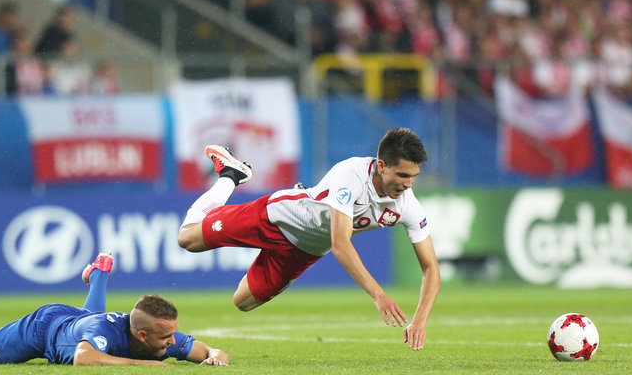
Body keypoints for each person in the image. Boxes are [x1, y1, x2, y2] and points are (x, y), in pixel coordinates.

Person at [177, 128, 441, 351]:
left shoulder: (408, 206)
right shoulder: (351, 175)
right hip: (278, 217)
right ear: (382, 166)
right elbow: (340, 243)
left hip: (304, 251)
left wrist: (419, 320)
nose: (408, 185)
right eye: (403, 176)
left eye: (413, 177)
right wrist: (378, 294)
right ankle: (231, 175)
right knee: (187, 238)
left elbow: (431, 269)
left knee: (242, 302)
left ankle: (261, 252)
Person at [0, 253, 230, 366]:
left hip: (79, 321)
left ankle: (99, 275)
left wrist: (214, 356)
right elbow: (85, 359)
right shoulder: (108, 337)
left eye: (173, 335)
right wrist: (150, 365)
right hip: (45, 327)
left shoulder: (162, 336)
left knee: (86, 320)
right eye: (167, 337)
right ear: (142, 335)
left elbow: (211, 352)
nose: (173, 343)